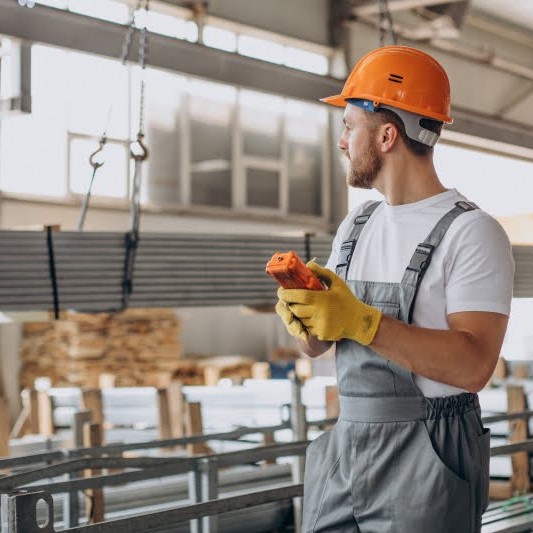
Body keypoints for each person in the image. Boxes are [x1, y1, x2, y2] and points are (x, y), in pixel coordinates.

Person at [275, 45, 514, 533]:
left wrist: (362, 320)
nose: (342, 142)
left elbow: (473, 366)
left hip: (429, 451)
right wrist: (308, 322)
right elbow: (319, 346)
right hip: (347, 445)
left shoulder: (472, 232)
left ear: (386, 135)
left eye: (349, 127)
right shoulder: (355, 225)